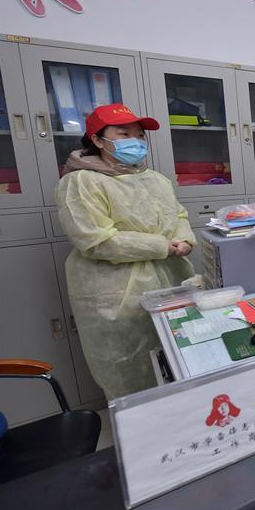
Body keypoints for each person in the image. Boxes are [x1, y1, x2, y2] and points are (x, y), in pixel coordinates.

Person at [55, 104, 196, 400]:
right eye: (123, 133)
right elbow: (94, 240)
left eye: (139, 135)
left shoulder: (155, 179)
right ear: (97, 139)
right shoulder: (81, 181)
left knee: (183, 362)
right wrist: (161, 246)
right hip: (118, 295)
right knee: (132, 374)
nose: (135, 140)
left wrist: (184, 240)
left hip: (171, 281)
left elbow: (178, 216)